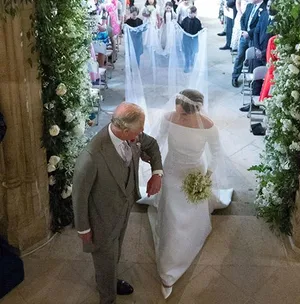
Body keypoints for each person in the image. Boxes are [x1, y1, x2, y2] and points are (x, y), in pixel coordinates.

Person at [142, 90, 232, 299]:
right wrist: (153, 164)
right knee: (172, 217)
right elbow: (157, 142)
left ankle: (187, 242)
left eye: (183, 114)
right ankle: (168, 268)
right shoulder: (168, 118)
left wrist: (207, 176)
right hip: (172, 170)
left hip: (194, 172)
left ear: (196, 111)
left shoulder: (208, 127)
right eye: (177, 112)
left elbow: (217, 153)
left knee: (191, 210)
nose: (178, 117)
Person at [72, 102, 163, 304]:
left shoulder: (133, 136)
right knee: (104, 257)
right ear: (123, 130)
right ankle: (107, 296)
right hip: (101, 218)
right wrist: (83, 229)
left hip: (123, 207)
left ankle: (110, 280)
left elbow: (152, 145)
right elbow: (79, 196)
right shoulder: (91, 157)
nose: (142, 132)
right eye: (139, 128)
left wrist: (157, 173)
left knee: (116, 250)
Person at [231, 0, 266, 87]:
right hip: (244, 35)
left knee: (252, 60)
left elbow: (260, 26)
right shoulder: (249, 6)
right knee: (240, 56)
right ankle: (235, 77)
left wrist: (249, 33)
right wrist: (244, 30)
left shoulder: (264, 9)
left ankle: (252, 80)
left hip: (254, 38)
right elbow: (242, 18)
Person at [180, 6, 202, 73]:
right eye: (190, 13)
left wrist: (203, 30)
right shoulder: (185, 20)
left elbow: (199, 29)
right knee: (187, 53)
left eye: (194, 13)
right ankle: (187, 66)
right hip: (186, 39)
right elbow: (181, 27)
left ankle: (192, 63)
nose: (192, 14)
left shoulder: (197, 21)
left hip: (194, 39)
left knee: (193, 52)